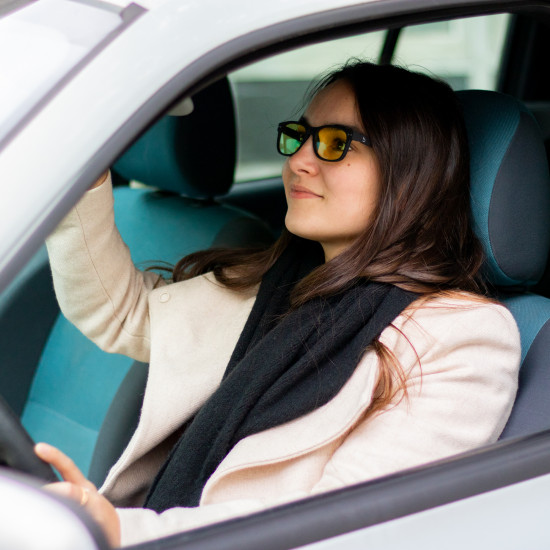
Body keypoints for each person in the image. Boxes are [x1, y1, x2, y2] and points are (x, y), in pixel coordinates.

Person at [36, 61, 520, 547]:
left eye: (335, 143)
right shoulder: (280, 283)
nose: (298, 161)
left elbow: (346, 527)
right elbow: (120, 312)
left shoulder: (463, 337)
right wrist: (86, 168)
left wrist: (120, 529)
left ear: (409, 173)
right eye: (299, 136)